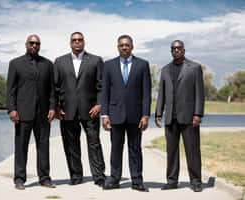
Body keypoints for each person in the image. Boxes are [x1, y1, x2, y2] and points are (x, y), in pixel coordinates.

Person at [54, 32, 105, 186]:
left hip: (90, 110)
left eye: (80, 40)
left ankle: (99, 176)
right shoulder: (59, 62)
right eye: (74, 40)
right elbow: (54, 87)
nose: (77, 42)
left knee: (94, 143)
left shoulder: (96, 60)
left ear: (84, 42)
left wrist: (99, 104)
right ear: (70, 43)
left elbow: (101, 86)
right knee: (71, 145)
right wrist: (55, 106)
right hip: (67, 110)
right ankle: (76, 176)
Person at [101, 35, 152, 192]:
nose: (124, 47)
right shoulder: (108, 65)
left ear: (132, 47)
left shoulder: (142, 65)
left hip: (135, 116)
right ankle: (114, 179)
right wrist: (104, 115)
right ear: (118, 47)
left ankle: (136, 180)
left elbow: (146, 93)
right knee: (115, 149)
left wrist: (145, 115)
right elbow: (105, 92)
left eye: (127, 45)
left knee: (135, 149)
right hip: (115, 114)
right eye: (122, 45)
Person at [6, 34, 56, 190]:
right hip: (22, 113)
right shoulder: (15, 63)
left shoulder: (48, 64)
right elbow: (10, 90)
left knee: (44, 146)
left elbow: (52, 90)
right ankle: (19, 179)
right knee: (21, 146)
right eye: (32, 43)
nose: (34, 45)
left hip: (43, 114)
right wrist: (12, 109)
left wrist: (53, 107)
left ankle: (45, 178)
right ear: (26, 44)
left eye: (37, 43)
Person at [155, 40, 204, 192]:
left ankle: (196, 181)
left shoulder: (194, 68)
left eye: (179, 48)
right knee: (171, 151)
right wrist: (158, 113)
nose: (176, 50)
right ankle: (172, 181)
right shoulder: (165, 69)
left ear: (184, 50)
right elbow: (161, 93)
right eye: (173, 48)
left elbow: (200, 93)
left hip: (189, 117)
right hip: (170, 117)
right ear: (171, 51)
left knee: (193, 150)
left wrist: (198, 114)